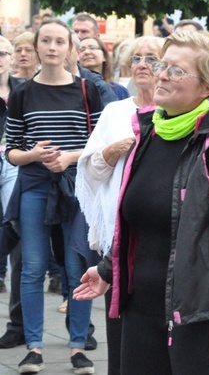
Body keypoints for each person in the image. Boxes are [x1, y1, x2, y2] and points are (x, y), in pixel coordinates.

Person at [72, 30, 209, 374]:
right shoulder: (147, 135)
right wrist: (107, 270)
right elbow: (139, 224)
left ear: (206, 88)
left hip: (204, 309)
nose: (160, 74)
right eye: (162, 65)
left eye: (176, 71)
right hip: (140, 304)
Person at [6, 19, 104, 374]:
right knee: (31, 268)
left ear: (69, 48)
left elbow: (99, 144)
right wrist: (34, 155)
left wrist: (68, 157)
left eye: (58, 41)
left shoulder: (86, 90)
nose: (51, 47)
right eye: (45, 40)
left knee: (77, 266)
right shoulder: (22, 93)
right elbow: (12, 151)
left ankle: (78, 346)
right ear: (35, 47)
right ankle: (34, 347)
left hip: (77, 188)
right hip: (34, 186)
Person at [75, 35, 164, 375]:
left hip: (161, 233)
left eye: (152, 58)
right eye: (137, 58)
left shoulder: (175, 110)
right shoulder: (115, 111)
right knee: (122, 324)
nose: (143, 64)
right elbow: (90, 171)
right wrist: (111, 152)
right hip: (121, 233)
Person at [0, 37, 25, 349]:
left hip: (16, 162)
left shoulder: (24, 89)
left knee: (19, 233)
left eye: (3, 52)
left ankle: (17, 323)